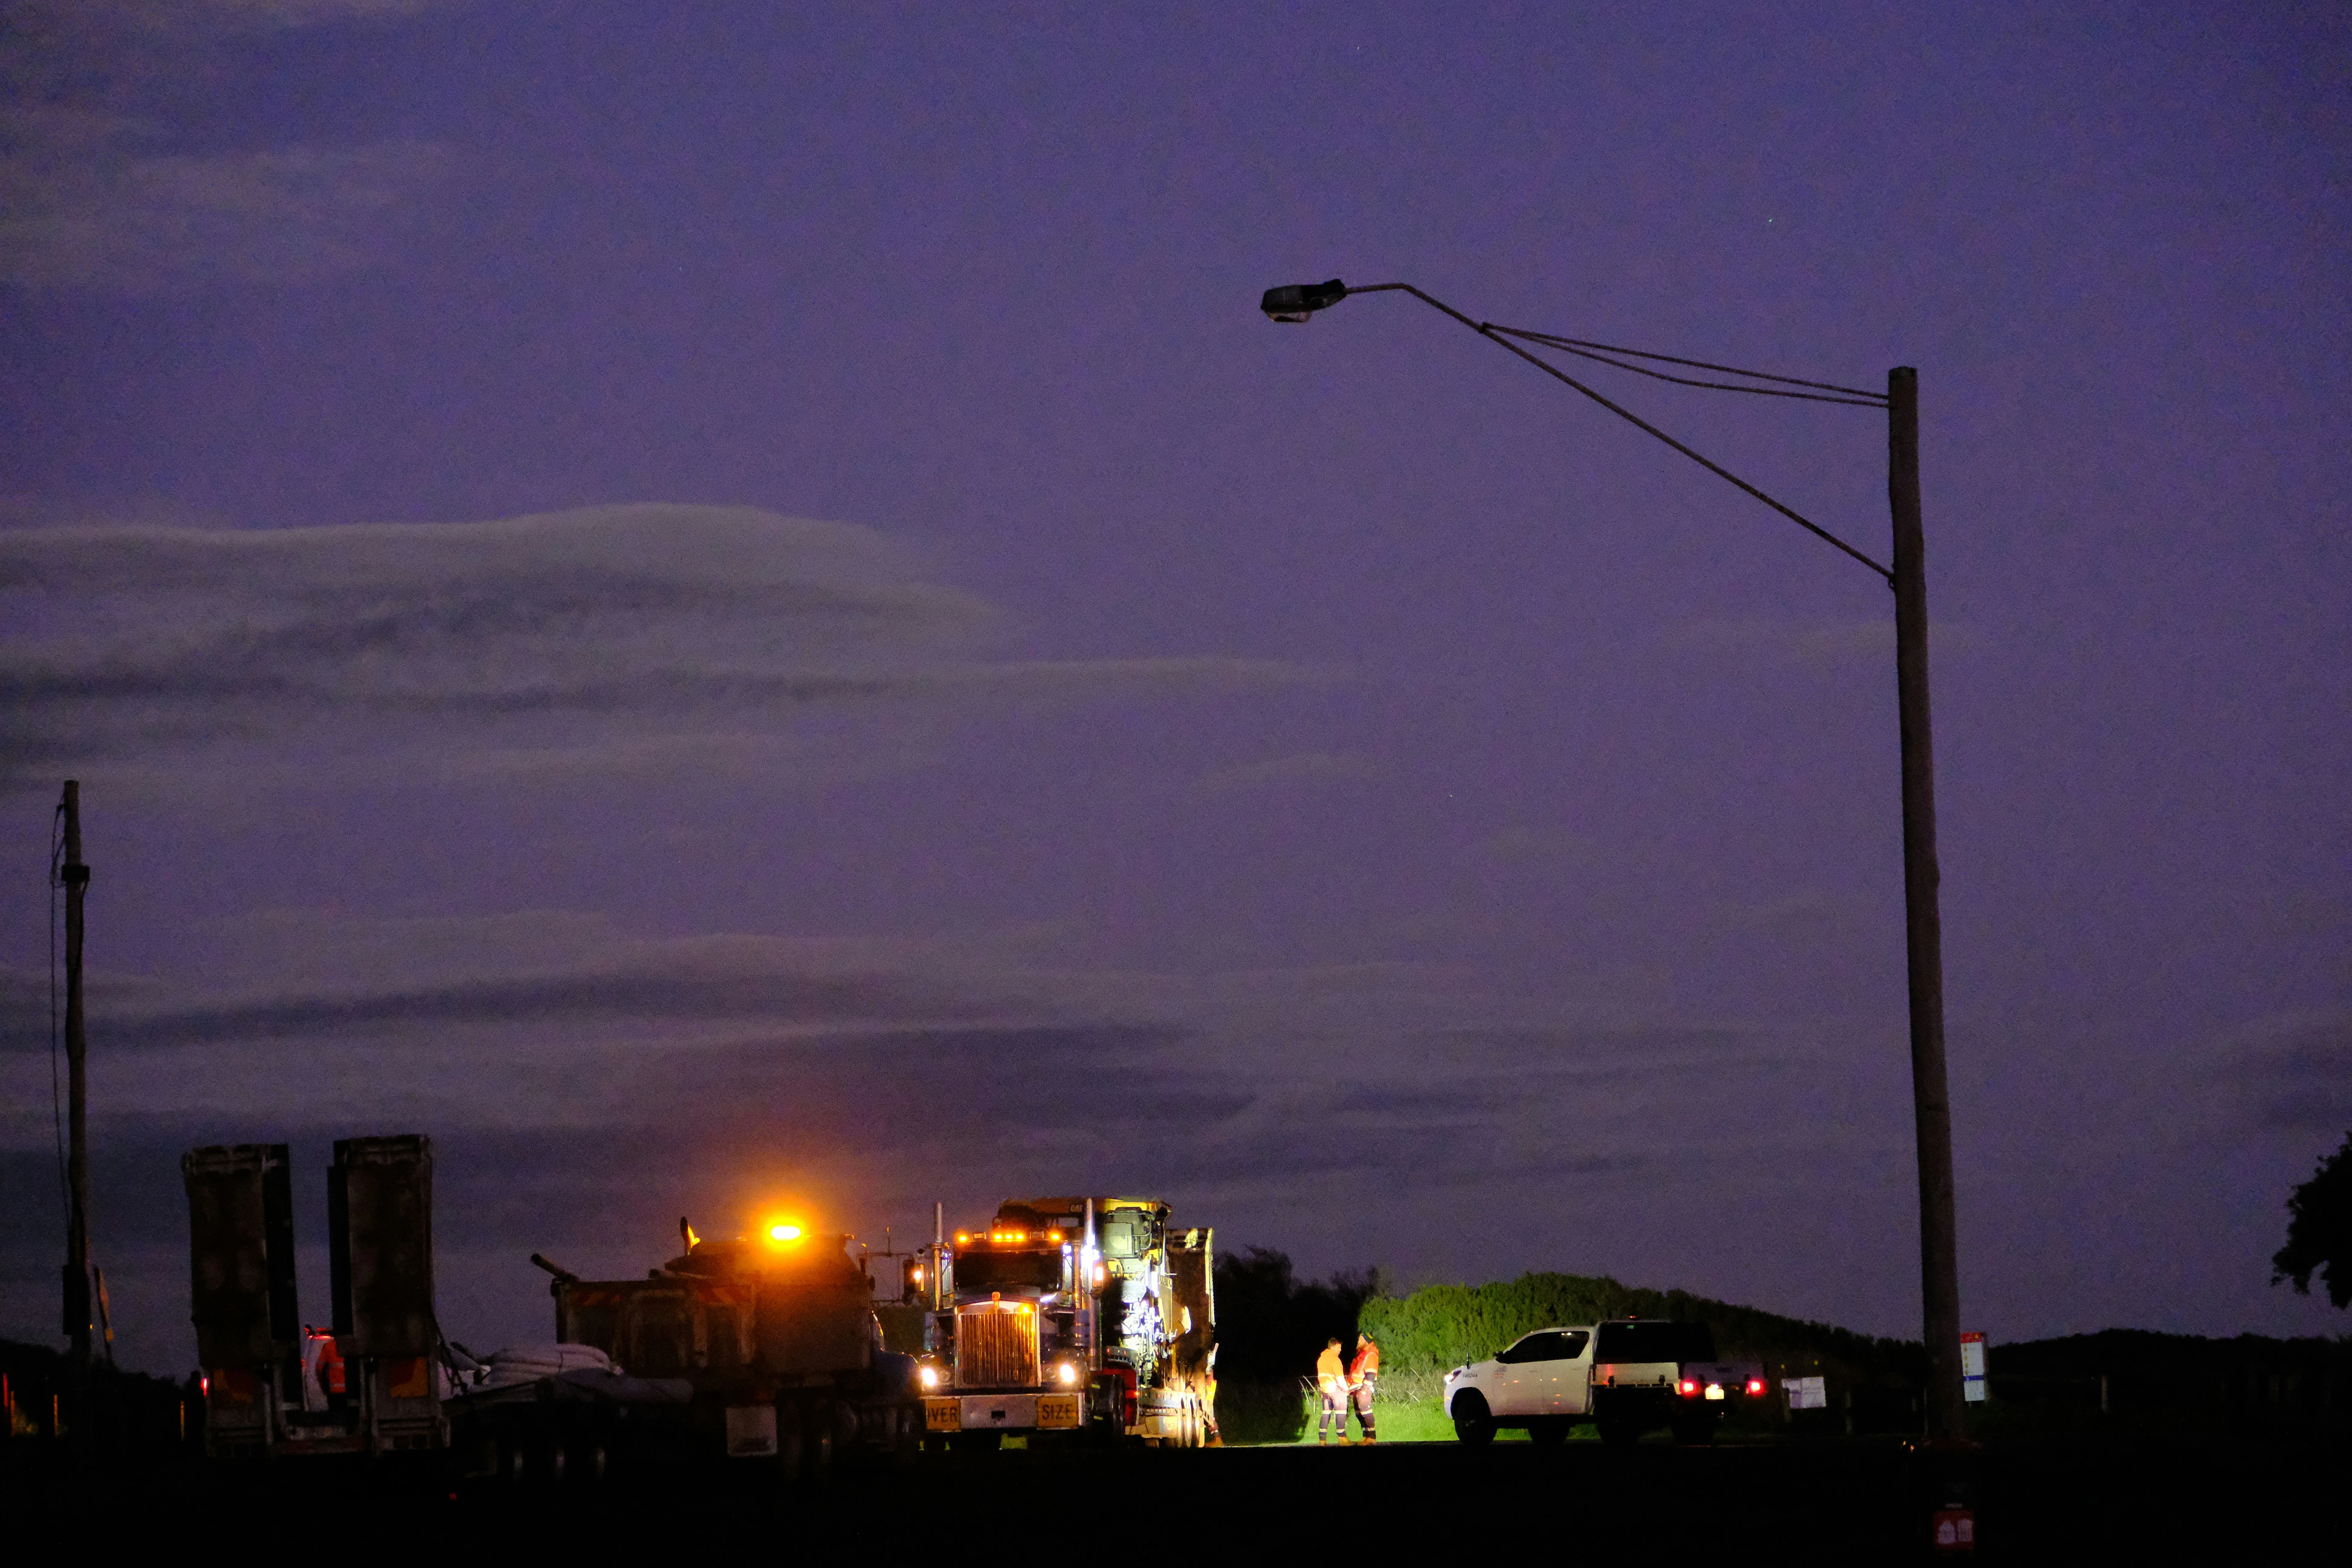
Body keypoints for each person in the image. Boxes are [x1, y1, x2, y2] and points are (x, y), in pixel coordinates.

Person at [1347, 1332, 1380, 1443]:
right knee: (1359, 1413)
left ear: (1366, 1341)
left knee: (1366, 1412)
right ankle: (1366, 1436)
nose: (1358, 1342)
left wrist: (1365, 1390)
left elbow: (1371, 1373)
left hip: (1363, 1388)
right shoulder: (1362, 1354)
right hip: (1357, 1389)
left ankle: (1372, 1438)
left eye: (1361, 1340)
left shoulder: (1371, 1354)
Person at [1314, 1337, 1349, 1443]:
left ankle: (1322, 1439)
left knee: (1326, 1413)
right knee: (1341, 1412)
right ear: (1333, 1347)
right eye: (1339, 1347)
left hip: (1325, 1391)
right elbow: (1340, 1378)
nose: (1340, 1350)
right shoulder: (1335, 1360)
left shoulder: (1321, 1359)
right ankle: (1342, 1438)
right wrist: (1346, 1389)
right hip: (1336, 1390)